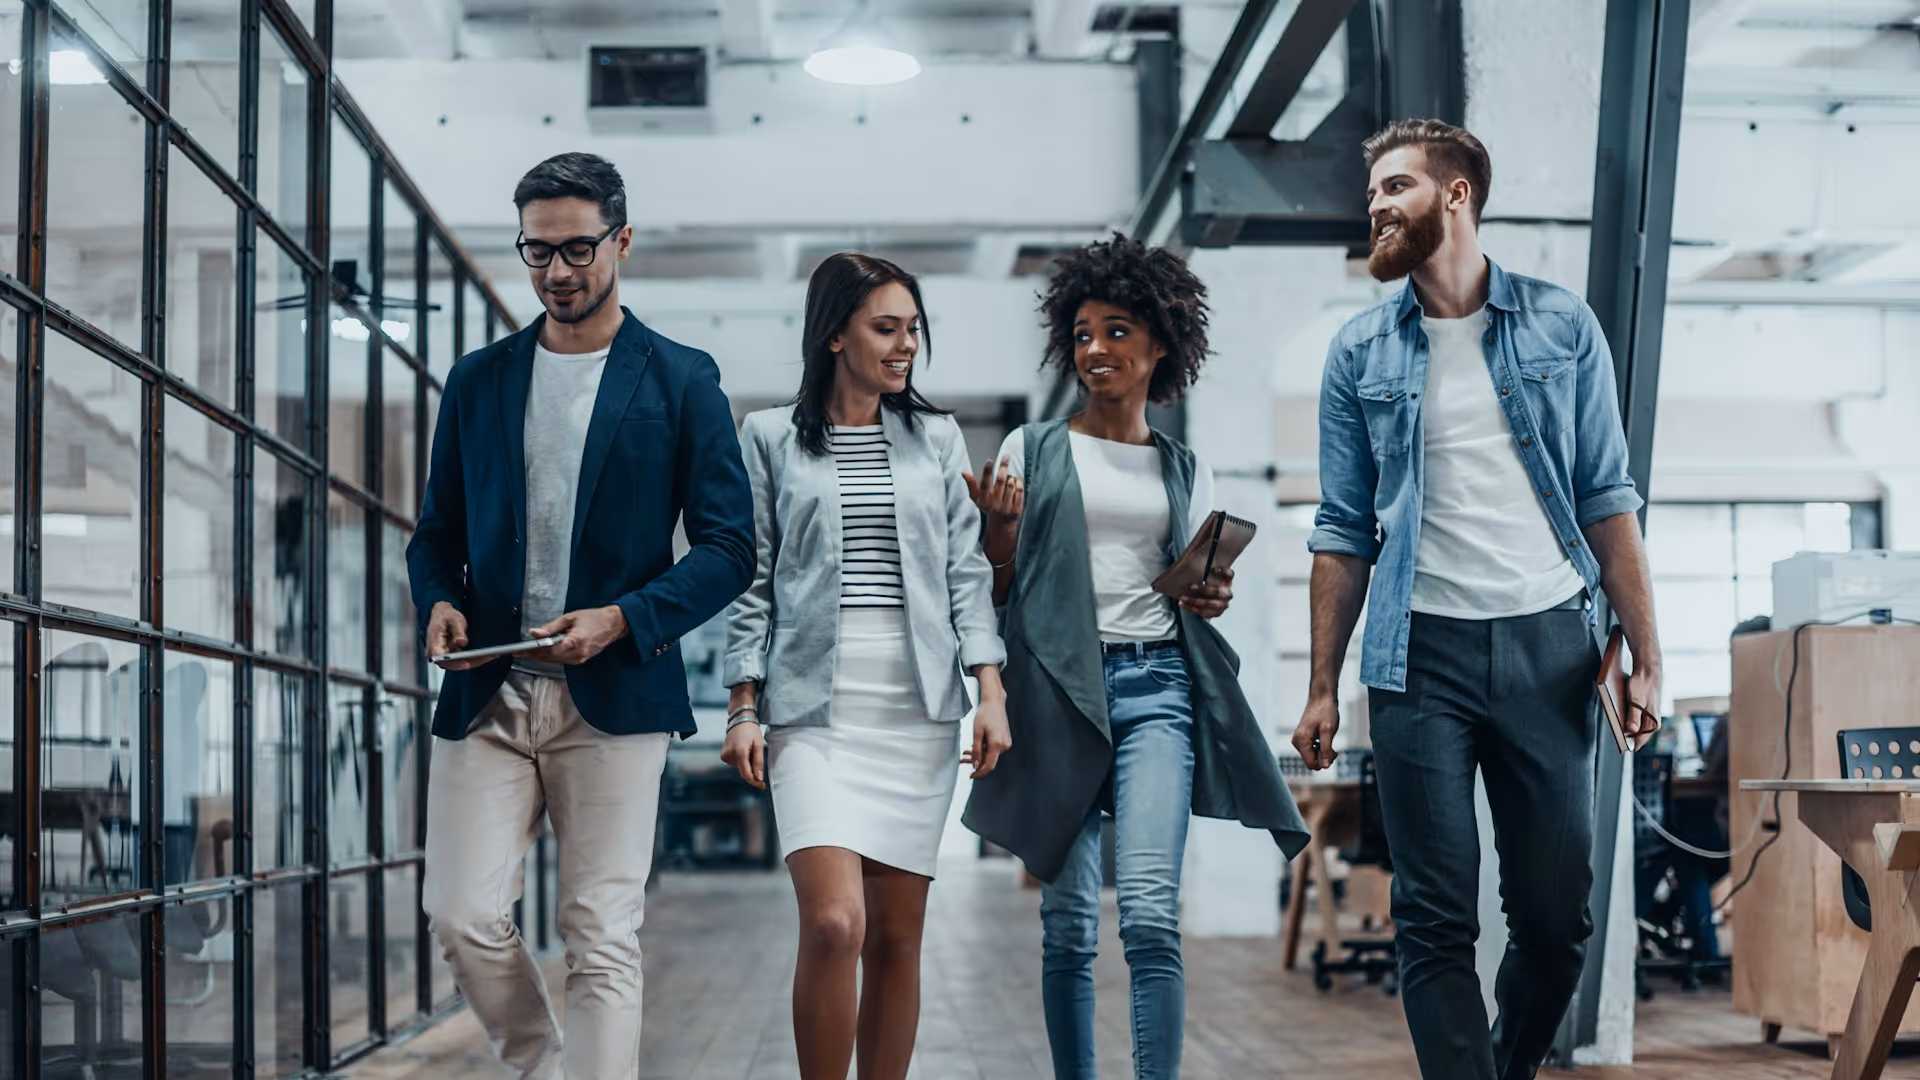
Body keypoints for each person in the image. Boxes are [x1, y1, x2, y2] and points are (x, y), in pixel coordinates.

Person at [1289, 119, 1664, 1080]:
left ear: (1456, 196)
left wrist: (1645, 651)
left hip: (1553, 648)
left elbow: (1607, 496)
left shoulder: (1561, 325)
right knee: (1433, 916)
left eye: (1397, 186)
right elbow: (1341, 528)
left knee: (1553, 922)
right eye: (1372, 191)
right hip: (1419, 657)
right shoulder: (1358, 351)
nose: (1376, 204)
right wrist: (1323, 682)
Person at [407, 152, 754, 1080]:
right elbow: (434, 534)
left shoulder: (682, 381)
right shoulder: (479, 382)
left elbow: (729, 548)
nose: (558, 271)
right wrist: (437, 598)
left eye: (578, 248)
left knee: (602, 932)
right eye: (537, 251)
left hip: (616, 693)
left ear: (621, 241)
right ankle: (541, 1063)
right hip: (488, 688)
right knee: (459, 911)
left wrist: (628, 617)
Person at [963, 234, 1308, 1080]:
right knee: (1069, 923)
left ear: (1161, 343)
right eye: (1082, 334)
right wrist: (999, 534)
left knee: (1151, 917)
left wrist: (1211, 594)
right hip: (1056, 696)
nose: (1095, 350)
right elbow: (998, 592)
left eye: (1117, 332)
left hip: (1157, 687)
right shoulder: (1031, 451)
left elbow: (1198, 588)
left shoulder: (1189, 469)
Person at [719, 252, 1010, 1080]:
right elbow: (753, 576)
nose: (905, 345)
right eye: (887, 328)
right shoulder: (769, 436)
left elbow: (965, 573)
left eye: (913, 329)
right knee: (835, 925)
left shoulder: (936, 436)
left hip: (916, 711)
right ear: (836, 334)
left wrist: (989, 688)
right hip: (811, 715)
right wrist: (744, 703)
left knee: (894, 937)